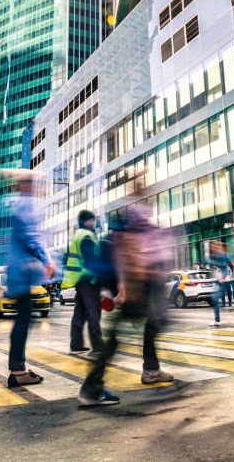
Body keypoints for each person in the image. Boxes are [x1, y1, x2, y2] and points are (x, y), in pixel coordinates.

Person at [79, 174, 173, 406]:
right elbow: (125, 252)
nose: (146, 188)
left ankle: (150, 369)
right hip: (139, 284)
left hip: (143, 283)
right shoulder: (132, 217)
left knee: (148, 326)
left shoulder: (140, 216)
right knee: (121, 335)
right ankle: (92, 387)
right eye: (142, 185)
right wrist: (125, 287)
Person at [4, 169, 55, 387]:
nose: (35, 188)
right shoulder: (24, 206)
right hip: (22, 272)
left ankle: (18, 368)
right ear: (23, 186)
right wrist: (46, 260)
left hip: (18, 272)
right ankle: (18, 370)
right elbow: (31, 237)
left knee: (23, 319)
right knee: (23, 320)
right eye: (32, 184)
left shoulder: (12, 204)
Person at [63, 209, 104, 356]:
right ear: (85, 221)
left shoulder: (78, 235)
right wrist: (100, 277)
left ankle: (76, 345)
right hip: (88, 279)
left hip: (80, 279)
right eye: (91, 220)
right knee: (93, 311)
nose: (93, 223)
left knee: (80, 312)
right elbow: (90, 260)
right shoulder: (86, 236)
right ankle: (98, 346)